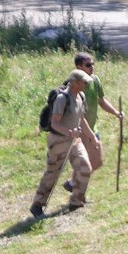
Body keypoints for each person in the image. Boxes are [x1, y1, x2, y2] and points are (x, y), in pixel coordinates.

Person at [31, 71, 93, 218]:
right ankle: (38, 204)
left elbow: (81, 118)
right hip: (59, 141)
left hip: (74, 141)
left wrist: (91, 136)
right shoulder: (62, 99)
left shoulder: (81, 96)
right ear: (76, 82)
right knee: (53, 172)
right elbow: (55, 123)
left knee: (85, 167)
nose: (87, 85)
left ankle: (76, 200)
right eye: (85, 82)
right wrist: (69, 132)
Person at [64, 52, 122, 194]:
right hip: (79, 129)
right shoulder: (74, 86)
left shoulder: (95, 81)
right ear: (78, 67)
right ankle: (77, 189)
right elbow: (78, 114)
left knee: (95, 161)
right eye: (88, 65)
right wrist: (89, 133)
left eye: (93, 64)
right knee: (90, 161)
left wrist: (115, 112)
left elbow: (101, 100)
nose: (92, 67)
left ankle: (73, 183)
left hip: (92, 126)